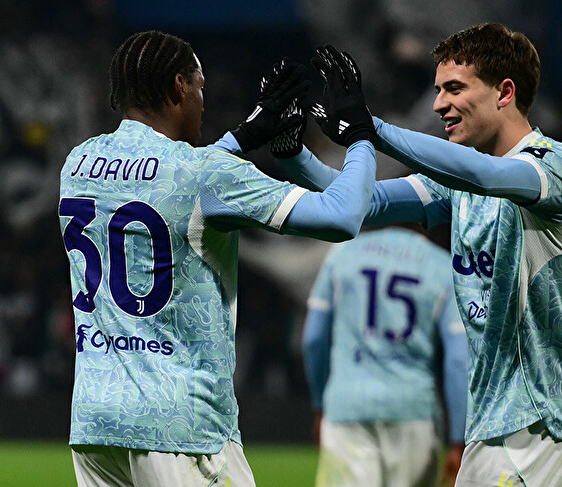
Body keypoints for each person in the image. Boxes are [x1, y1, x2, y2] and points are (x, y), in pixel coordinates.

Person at [273, 25, 562, 487]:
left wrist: (374, 129)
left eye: (454, 88)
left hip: (545, 425)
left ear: (505, 92)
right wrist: (293, 155)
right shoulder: (460, 185)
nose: (438, 105)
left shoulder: (557, 166)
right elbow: (365, 201)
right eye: (438, 90)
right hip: (491, 425)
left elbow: (489, 175)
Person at [58, 30, 377, 487]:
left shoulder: (78, 164)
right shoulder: (208, 173)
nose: (204, 101)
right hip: (183, 427)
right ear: (179, 86)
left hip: (96, 424)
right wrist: (360, 136)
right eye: (200, 86)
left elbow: (168, 183)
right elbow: (342, 216)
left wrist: (246, 135)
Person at [302, 225, 469, 487]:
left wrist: (320, 405)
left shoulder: (342, 255)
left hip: (348, 407)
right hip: (414, 411)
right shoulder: (442, 265)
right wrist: (459, 439)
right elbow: (458, 360)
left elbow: (313, 338)